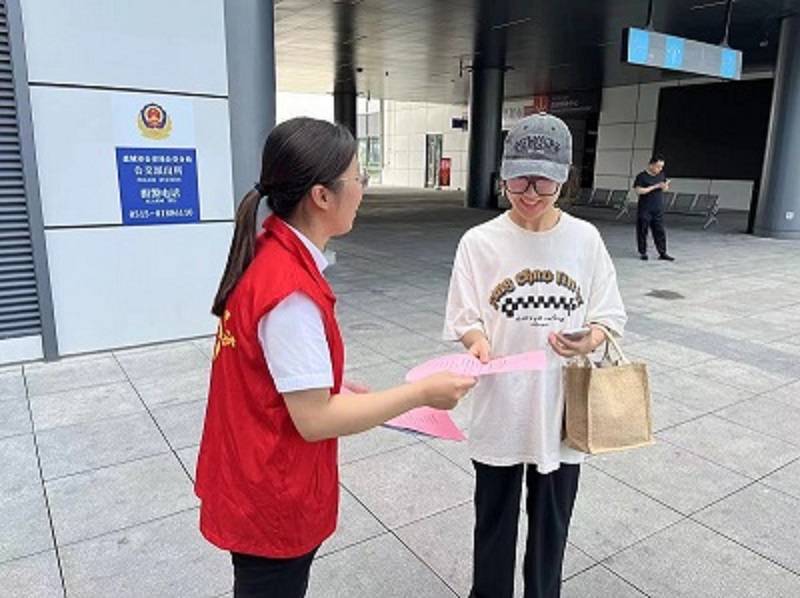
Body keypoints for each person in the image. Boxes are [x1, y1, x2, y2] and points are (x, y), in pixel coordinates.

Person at [195, 117, 476, 598]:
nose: (363, 191)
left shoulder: (270, 256)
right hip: (272, 493)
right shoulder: (290, 291)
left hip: (251, 477)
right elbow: (316, 420)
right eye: (358, 178)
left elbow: (267, 375)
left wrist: (329, 386)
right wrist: (420, 394)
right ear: (322, 196)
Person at [443, 112, 627, 598]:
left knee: (551, 529)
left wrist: (591, 338)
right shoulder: (479, 242)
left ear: (563, 180)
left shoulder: (584, 239)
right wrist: (475, 341)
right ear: (503, 176)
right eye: (518, 181)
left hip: (561, 411)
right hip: (500, 405)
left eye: (542, 184)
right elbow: (465, 315)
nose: (528, 194)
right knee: (493, 524)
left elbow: (610, 314)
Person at [633, 155, 674, 261]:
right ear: (651, 165)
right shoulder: (641, 176)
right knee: (643, 230)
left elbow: (664, 189)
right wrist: (654, 187)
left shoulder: (661, 175)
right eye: (658, 166)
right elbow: (638, 191)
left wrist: (665, 186)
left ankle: (662, 252)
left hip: (657, 208)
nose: (660, 169)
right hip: (645, 208)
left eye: (661, 167)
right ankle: (643, 252)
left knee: (660, 231)